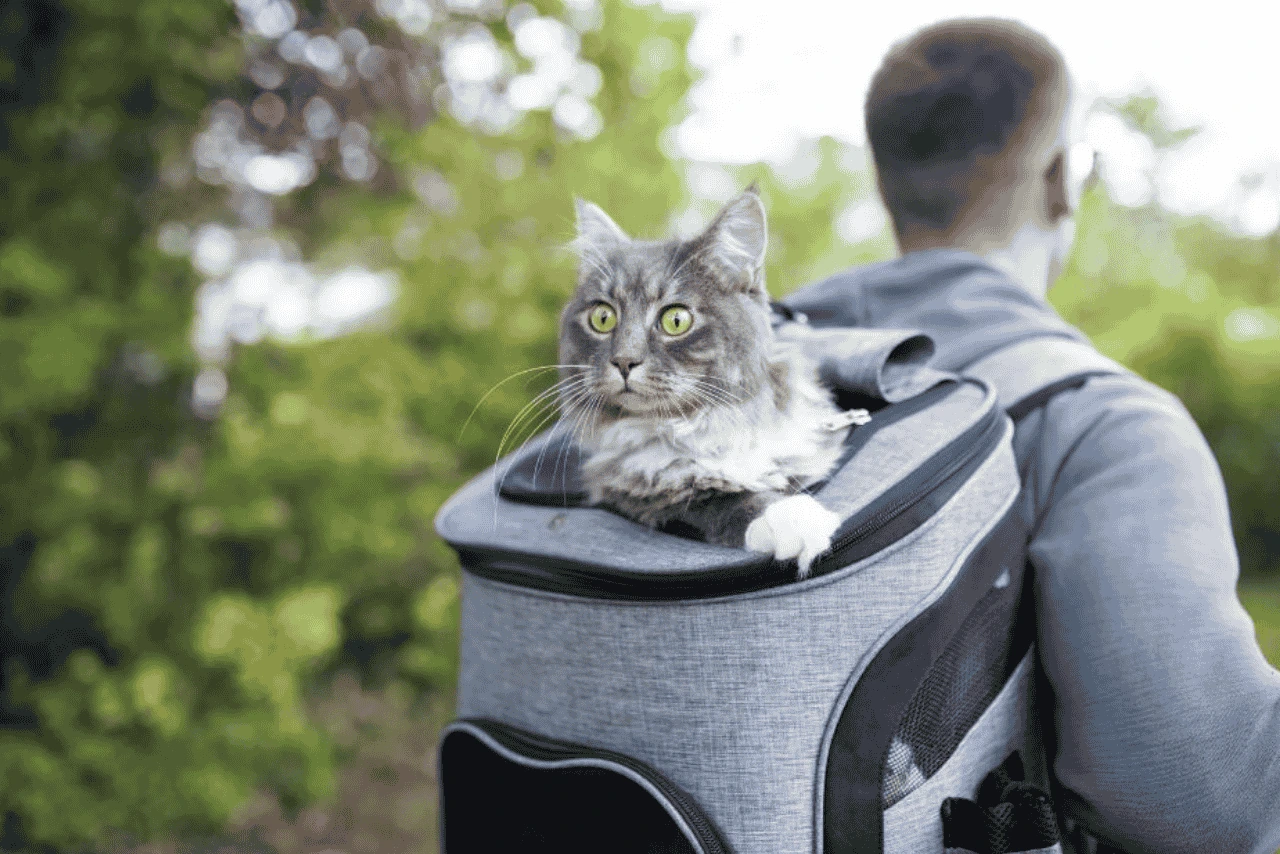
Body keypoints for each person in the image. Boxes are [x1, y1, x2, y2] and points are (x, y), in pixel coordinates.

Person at [784, 18, 1280, 854]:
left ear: (885, 181)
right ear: (1060, 181)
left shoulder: (717, 376)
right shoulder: (1103, 428)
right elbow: (1207, 801)